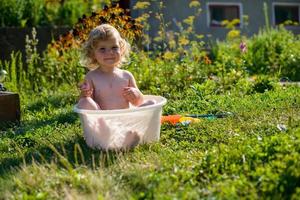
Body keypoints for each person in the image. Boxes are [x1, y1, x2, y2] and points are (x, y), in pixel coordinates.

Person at [77, 24, 154, 150]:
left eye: (114, 47)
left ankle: (129, 137)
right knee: (85, 102)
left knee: (150, 103)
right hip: (103, 125)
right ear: (93, 53)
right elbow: (84, 105)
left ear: (121, 49)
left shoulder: (126, 76)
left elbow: (139, 102)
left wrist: (135, 95)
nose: (110, 52)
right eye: (102, 49)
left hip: (126, 121)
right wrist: (85, 94)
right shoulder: (91, 77)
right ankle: (108, 138)